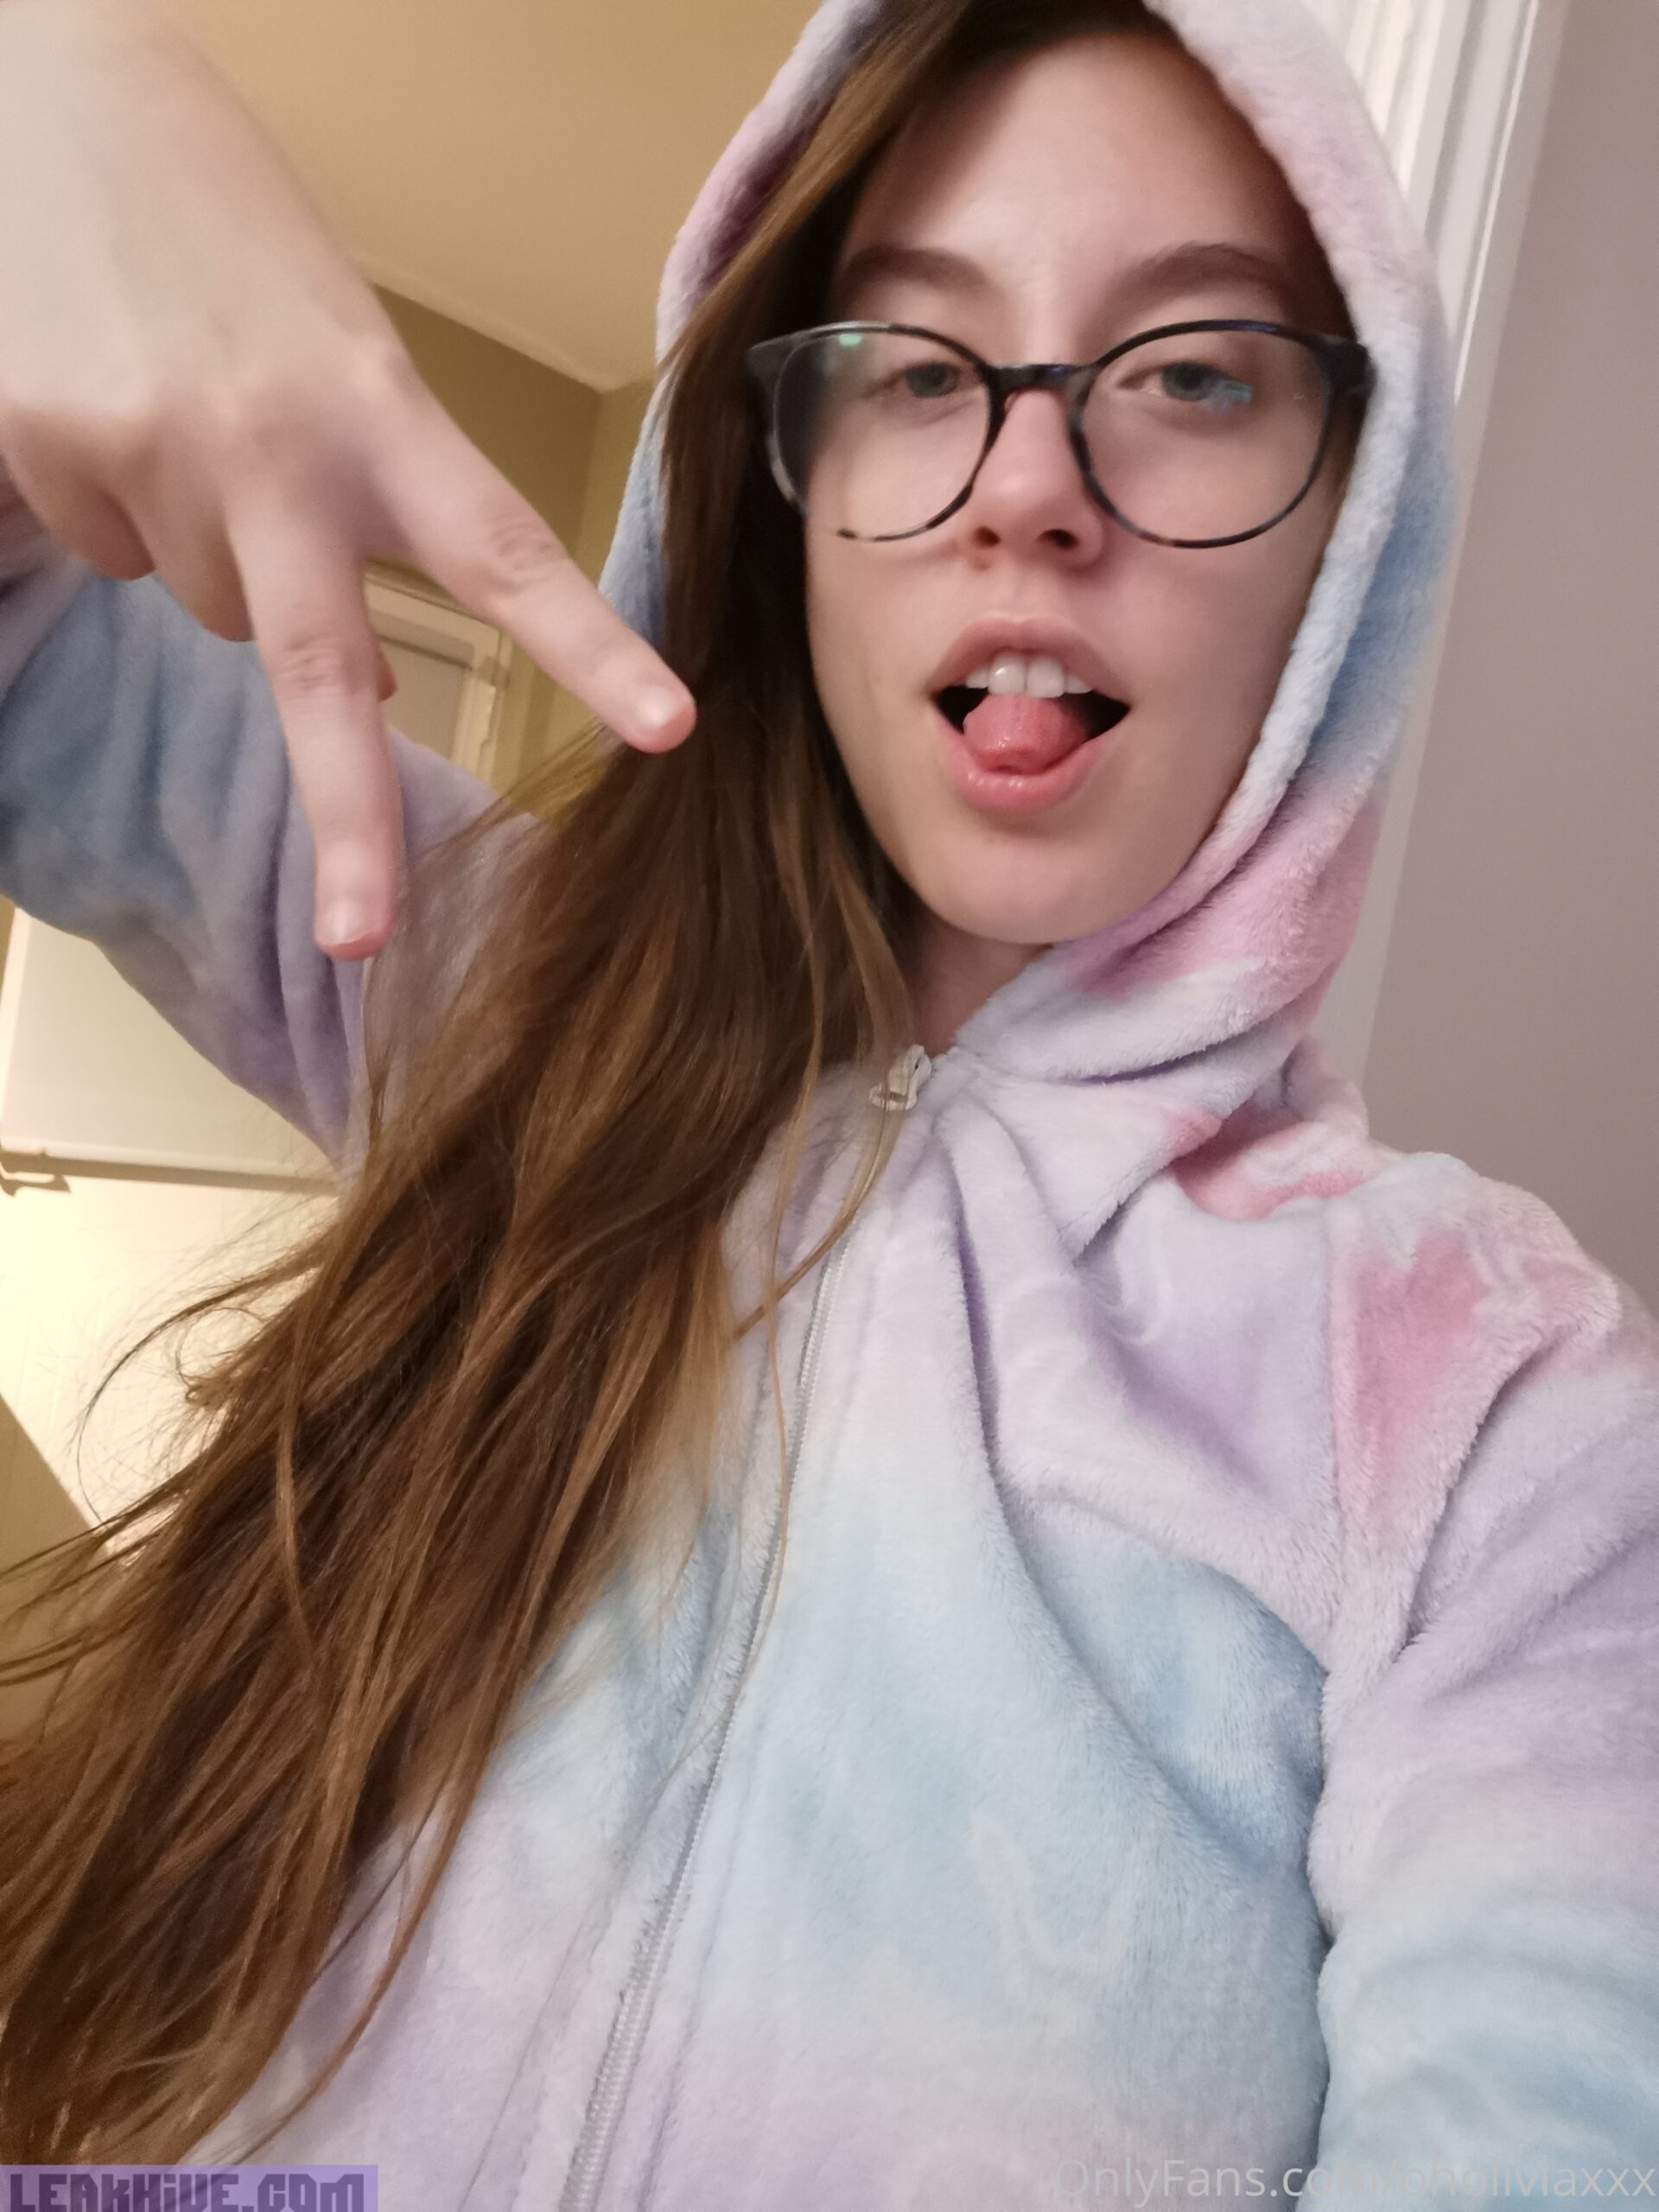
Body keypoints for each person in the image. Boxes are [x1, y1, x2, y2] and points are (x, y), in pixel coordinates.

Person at [0, 0, 1656, 2193]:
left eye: (1191, 375)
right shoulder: (501, 990)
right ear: (782, 484)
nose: (1033, 492)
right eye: (914, 367)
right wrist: (51, 84)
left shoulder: (1504, 1413)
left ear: (1351, 535)